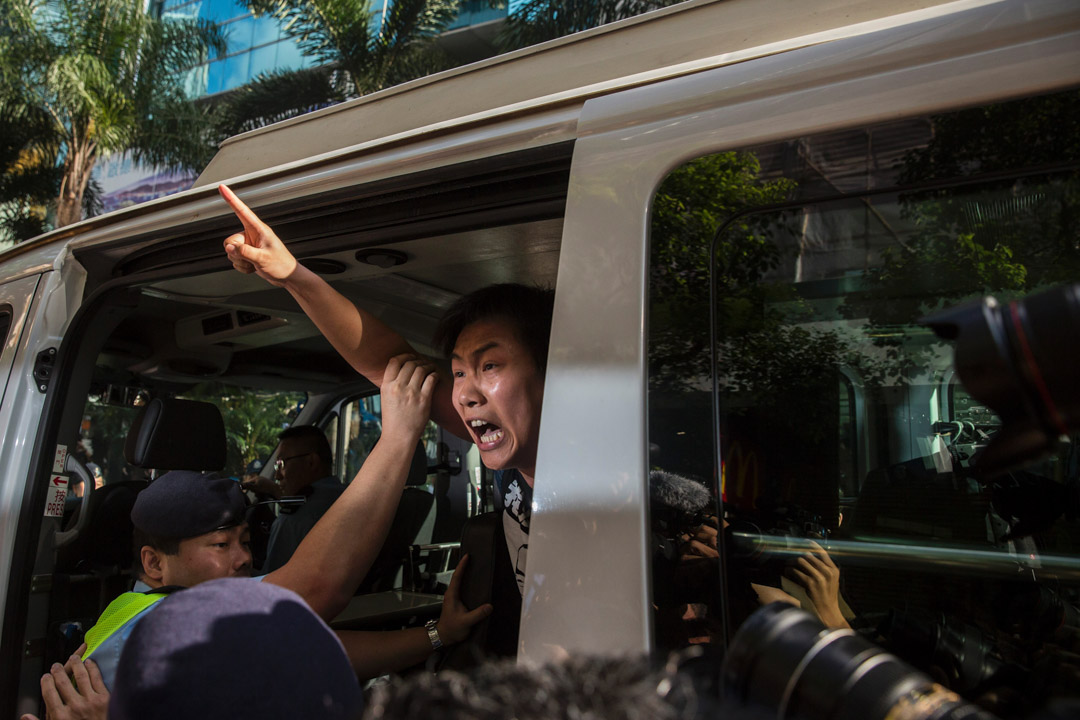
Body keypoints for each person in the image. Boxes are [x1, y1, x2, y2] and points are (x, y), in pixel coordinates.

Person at [28, 353, 491, 701]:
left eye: (245, 541)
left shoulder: (177, 609)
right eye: (220, 544)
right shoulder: (157, 625)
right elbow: (317, 589)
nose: (243, 558)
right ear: (154, 564)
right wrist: (397, 438)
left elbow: (308, 647)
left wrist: (438, 635)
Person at [220, 184, 551, 595]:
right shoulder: (516, 468)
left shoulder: (605, 477)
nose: (465, 394)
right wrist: (292, 276)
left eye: (489, 365)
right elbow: (394, 367)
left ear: (554, 370)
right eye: (459, 373)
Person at [262, 425, 344, 571]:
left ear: (311, 462)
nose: (277, 475)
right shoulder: (349, 498)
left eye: (282, 463)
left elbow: (272, 586)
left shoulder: (293, 521)